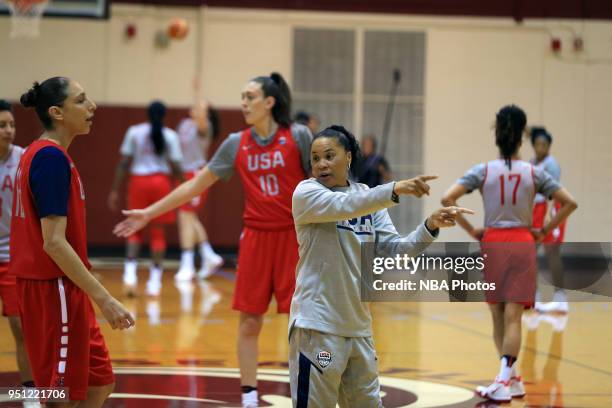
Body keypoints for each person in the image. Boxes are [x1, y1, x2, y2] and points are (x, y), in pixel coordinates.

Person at [114, 72, 312, 408]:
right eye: (242, 96)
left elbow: (324, 183)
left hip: (295, 239)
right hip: (256, 239)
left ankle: (306, 395)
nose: (243, 103)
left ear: (269, 102)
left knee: (302, 325)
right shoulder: (237, 142)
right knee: (250, 322)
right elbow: (193, 186)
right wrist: (149, 212)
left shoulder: (298, 136)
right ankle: (249, 399)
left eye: (250, 96)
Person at [289, 125, 473, 407]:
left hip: (359, 330)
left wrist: (430, 226)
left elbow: (396, 252)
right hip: (319, 329)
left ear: (348, 157)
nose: (321, 164)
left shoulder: (367, 199)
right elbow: (348, 205)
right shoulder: (307, 194)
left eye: (329, 155)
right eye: (315, 158)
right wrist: (394, 188)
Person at [441, 105, 577, 402]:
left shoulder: (482, 170)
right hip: (522, 240)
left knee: (498, 316)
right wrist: (543, 230)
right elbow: (569, 203)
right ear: (521, 139)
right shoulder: (535, 172)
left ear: (498, 136)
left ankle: (504, 378)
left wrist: (470, 230)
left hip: (492, 241)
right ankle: (511, 378)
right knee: (515, 316)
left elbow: (447, 198)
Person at [11, 77, 134, 406]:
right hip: (54, 289)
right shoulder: (49, 159)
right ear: (57, 112)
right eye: (81, 101)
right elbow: (53, 242)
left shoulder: (46, 154)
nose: (91, 106)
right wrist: (105, 299)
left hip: (66, 288)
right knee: (61, 396)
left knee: (99, 383)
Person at [108, 101, 184, 297]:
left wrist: (115, 189)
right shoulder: (170, 136)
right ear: (164, 115)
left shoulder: (134, 131)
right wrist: (185, 186)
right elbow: (176, 166)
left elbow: (124, 163)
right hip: (161, 183)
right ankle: (154, 282)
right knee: (158, 232)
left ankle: (130, 276)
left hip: (138, 183)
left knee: (134, 229)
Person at [0, 100, 35, 391]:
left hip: (12, 259)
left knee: (20, 329)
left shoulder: (24, 159)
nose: (9, 130)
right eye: (2, 125)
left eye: (11, 124)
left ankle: (30, 391)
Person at [174, 94, 223, 281]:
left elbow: (202, 117)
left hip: (196, 174)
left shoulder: (205, 127)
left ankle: (187, 264)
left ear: (207, 114)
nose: (197, 107)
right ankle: (208, 254)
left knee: (186, 216)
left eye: (202, 107)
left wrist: (199, 94)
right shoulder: (184, 124)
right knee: (188, 216)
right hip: (183, 173)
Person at [529, 126, 568, 313]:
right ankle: (533, 296)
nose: (540, 148)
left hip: (551, 208)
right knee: (531, 252)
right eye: (537, 144)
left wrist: (549, 215)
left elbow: (554, 191)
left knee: (552, 252)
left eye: (543, 145)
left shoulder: (551, 164)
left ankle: (561, 298)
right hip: (536, 209)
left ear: (549, 146)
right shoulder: (532, 162)